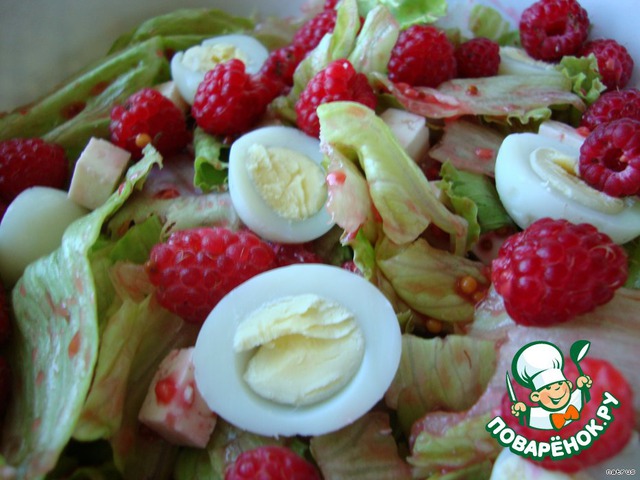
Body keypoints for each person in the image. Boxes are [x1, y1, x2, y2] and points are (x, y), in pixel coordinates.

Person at [510, 341, 592, 431]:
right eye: (548, 388)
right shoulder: (540, 416)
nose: (557, 390)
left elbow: (579, 395)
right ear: (535, 396)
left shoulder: (575, 401)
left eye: (560, 384)